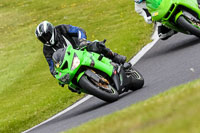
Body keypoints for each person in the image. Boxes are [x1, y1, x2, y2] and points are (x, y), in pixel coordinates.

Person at [35, 21, 126, 78]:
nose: (46, 40)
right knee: (71, 86)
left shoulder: (62, 29)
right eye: (42, 39)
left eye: (46, 36)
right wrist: (56, 73)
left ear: (51, 31)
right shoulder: (47, 50)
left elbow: (79, 30)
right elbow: (52, 66)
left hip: (81, 48)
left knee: (97, 45)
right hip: (71, 64)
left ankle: (115, 57)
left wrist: (82, 40)